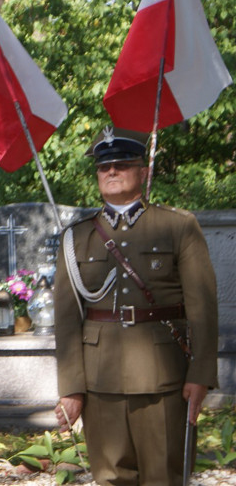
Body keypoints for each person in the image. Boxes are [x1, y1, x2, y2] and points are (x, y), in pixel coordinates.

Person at [54, 126, 218, 486]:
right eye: (104, 167)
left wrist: (201, 375)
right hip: (100, 377)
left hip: (162, 375)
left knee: (164, 475)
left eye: (123, 164)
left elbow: (202, 308)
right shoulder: (77, 236)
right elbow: (66, 321)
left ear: (143, 172)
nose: (112, 172)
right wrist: (71, 387)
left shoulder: (177, 226)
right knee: (110, 475)